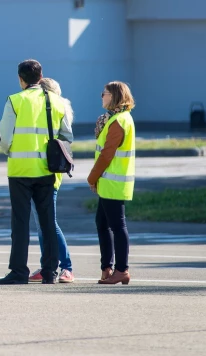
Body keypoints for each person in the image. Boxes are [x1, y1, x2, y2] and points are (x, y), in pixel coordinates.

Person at [0, 59, 73, 285]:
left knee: (20, 224)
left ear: (21, 79)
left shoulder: (15, 100)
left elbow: (4, 140)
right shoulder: (57, 102)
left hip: (20, 171)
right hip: (47, 170)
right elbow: (67, 137)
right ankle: (50, 271)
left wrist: (13, 149)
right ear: (41, 77)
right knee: (47, 221)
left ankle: (19, 271)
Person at [87, 81, 136, 285]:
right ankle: (107, 267)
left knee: (117, 226)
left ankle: (121, 270)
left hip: (113, 183)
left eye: (104, 93)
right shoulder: (116, 118)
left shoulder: (119, 121)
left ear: (115, 96)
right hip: (109, 183)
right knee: (102, 223)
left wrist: (92, 177)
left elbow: (107, 155)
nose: (102, 97)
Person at [27, 78, 74, 283]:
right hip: (39, 171)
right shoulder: (56, 109)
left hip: (47, 173)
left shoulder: (53, 110)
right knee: (41, 224)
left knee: (49, 223)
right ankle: (49, 264)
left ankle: (66, 266)